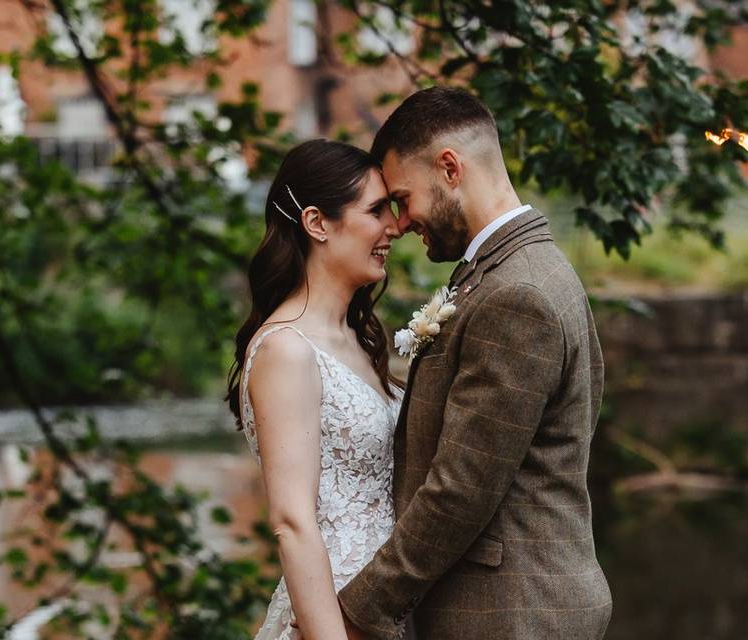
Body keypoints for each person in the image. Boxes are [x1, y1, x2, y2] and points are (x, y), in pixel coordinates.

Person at [336, 86, 612, 639]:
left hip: (510, 612)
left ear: (449, 168)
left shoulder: (517, 296)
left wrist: (358, 607)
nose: (401, 222)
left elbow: (461, 488)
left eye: (404, 198)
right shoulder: (521, 271)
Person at [226, 138, 404, 639]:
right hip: (333, 615)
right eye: (375, 210)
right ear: (317, 223)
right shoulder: (286, 349)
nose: (394, 227)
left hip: (386, 606)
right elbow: (292, 522)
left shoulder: (358, 339)